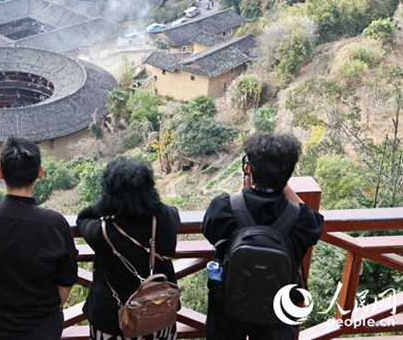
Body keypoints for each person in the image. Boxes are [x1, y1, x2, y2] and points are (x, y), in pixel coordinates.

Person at [202, 132, 324, 340]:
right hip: (278, 311)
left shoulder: (224, 207)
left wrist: (245, 192)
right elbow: (314, 222)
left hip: (228, 306)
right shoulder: (302, 219)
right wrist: (281, 181)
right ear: (288, 176)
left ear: (248, 169)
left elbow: (210, 231)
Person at [0, 136, 78, 340]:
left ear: (0, 173)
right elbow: (67, 277)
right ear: (40, 172)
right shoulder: (54, 224)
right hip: (42, 327)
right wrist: (52, 307)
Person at [77, 157, 180, 340]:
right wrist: (148, 201)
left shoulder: (103, 232)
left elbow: (83, 217)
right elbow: (165, 208)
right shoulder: (167, 218)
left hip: (114, 321)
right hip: (159, 315)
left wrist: (105, 205)